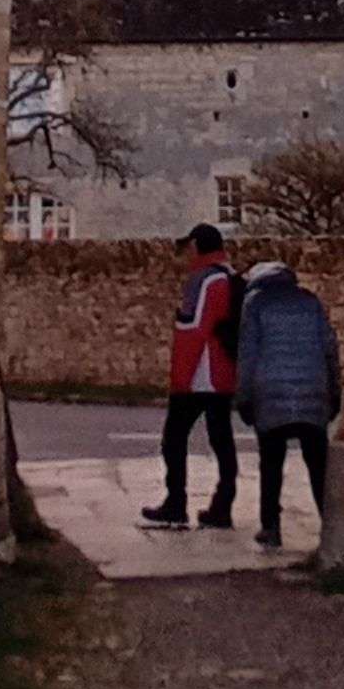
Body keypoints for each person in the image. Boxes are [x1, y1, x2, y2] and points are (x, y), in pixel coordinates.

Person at [234, 253, 341, 552]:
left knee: (271, 463)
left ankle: (271, 527)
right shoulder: (310, 301)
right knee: (318, 463)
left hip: (270, 395)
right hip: (312, 391)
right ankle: (332, 525)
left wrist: (244, 397)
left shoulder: (255, 303)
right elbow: (330, 348)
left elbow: (248, 355)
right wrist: (334, 390)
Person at [140, 221, 241, 530]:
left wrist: (180, 378)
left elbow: (193, 329)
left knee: (174, 438)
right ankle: (223, 504)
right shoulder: (231, 276)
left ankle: (176, 502)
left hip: (201, 373)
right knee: (222, 439)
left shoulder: (204, 279)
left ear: (196, 246)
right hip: (224, 370)